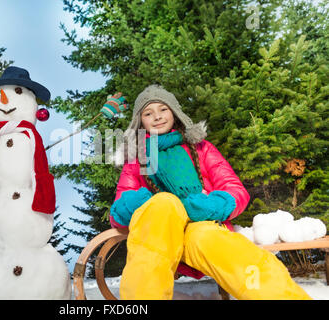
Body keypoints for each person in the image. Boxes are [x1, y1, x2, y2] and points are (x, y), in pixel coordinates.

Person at [110, 84, 311, 300]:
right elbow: (118, 214)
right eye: (148, 113)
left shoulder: (201, 148)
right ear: (140, 122)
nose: (157, 117)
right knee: (163, 204)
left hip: (201, 227)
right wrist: (139, 202)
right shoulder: (135, 161)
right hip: (160, 232)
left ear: (175, 112)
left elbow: (235, 190)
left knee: (226, 249)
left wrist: (210, 205)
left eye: (163, 109)